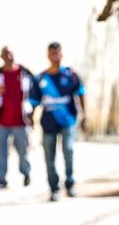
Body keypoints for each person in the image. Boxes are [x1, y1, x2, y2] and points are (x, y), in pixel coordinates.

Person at [33, 42, 87, 201]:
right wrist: (30, 119)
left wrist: (85, 115)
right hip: (48, 122)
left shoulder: (71, 75)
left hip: (68, 120)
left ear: (61, 54)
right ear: (48, 55)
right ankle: (54, 188)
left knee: (68, 151)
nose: (55, 56)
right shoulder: (42, 77)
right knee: (49, 156)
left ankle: (70, 184)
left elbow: (81, 93)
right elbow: (35, 100)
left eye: (57, 53)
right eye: (52, 53)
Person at [0, 47, 35, 190]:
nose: (9, 55)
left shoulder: (24, 73)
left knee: (23, 150)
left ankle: (26, 174)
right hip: (2, 121)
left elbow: (33, 94)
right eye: (6, 53)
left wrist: (31, 115)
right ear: (1, 56)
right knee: (2, 152)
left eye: (11, 52)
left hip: (21, 121)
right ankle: (1, 180)